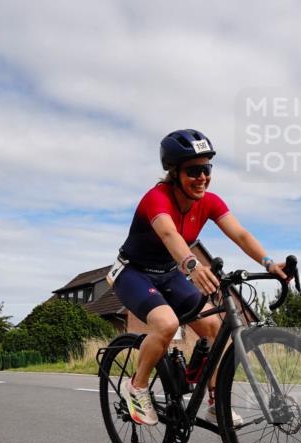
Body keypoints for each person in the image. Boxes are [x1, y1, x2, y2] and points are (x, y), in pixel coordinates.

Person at [111, 129, 287, 426]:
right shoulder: (157, 198)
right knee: (166, 324)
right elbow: (168, 233)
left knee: (216, 328)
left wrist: (269, 263)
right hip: (134, 273)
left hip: (168, 274)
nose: (202, 177)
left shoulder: (209, 201)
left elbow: (240, 234)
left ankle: (216, 403)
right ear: (174, 172)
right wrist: (192, 265)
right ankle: (136, 387)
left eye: (207, 169)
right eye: (194, 171)